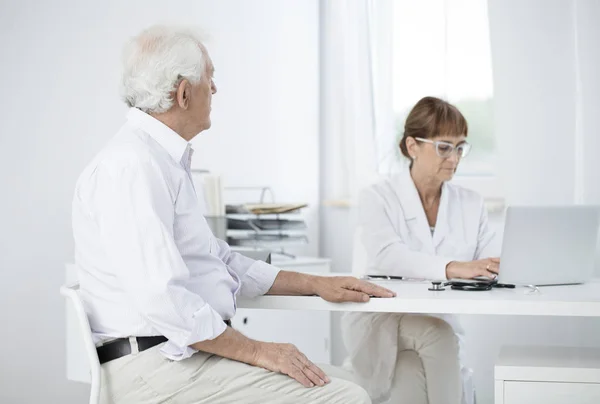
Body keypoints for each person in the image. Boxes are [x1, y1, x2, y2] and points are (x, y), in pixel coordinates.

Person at [72, 25, 395, 404]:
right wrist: (261, 351)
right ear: (183, 92)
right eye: (210, 77)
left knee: (356, 383)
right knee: (346, 397)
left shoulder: (160, 161)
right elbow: (164, 299)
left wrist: (314, 283)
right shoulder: (131, 166)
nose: (215, 89)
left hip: (183, 358)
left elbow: (217, 260)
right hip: (154, 370)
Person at [341, 96, 499, 404]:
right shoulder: (378, 197)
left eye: (460, 147)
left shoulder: (470, 202)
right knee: (437, 335)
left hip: (436, 320)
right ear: (412, 146)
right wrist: (453, 267)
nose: (454, 157)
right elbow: (388, 256)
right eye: (443, 147)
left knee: (408, 375)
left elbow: (490, 262)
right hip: (381, 319)